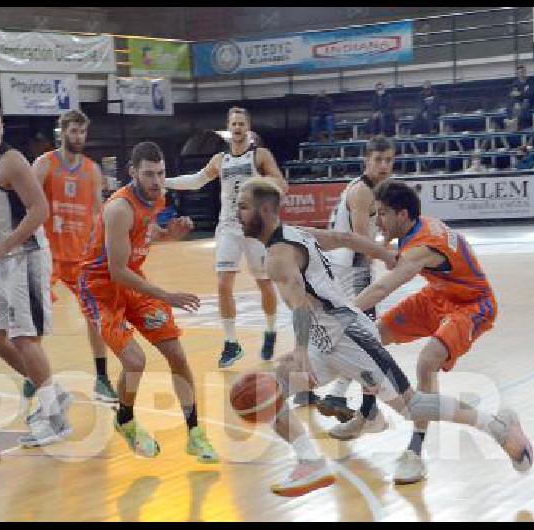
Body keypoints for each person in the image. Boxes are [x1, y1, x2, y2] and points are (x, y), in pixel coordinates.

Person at [235, 176, 533, 496]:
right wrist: (384, 253)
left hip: (349, 337)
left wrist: (302, 350)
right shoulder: (296, 233)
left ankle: (497, 427)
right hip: (330, 340)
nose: (236, 212)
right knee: (272, 386)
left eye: (243, 206)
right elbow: (343, 237)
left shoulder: (278, 256)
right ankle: (312, 461)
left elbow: (300, 305)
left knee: (413, 407)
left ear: (266, 210)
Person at [328, 180, 501, 485]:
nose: (376, 220)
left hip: (472, 304)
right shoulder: (410, 231)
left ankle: (415, 453)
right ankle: (368, 415)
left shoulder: (421, 247)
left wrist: (341, 315)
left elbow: (383, 287)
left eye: (381, 214)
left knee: (426, 361)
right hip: (439, 295)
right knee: (372, 339)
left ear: (403, 214)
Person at [77, 141, 218, 463]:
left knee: (176, 354)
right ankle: (125, 420)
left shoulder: (157, 197)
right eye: (149, 174)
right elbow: (116, 270)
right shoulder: (118, 209)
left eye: (161, 173)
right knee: (136, 361)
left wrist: (170, 234)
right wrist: (167, 295)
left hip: (132, 279)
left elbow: (144, 235)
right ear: (132, 173)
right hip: (101, 287)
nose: (156, 181)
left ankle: (195, 435)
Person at [0, 101, 71, 448]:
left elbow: (40, 210)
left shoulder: (12, 161)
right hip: (2, 259)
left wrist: (3, 244)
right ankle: (53, 391)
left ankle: (55, 419)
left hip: (28, 256)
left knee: (25, 338)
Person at [164, 107, 289, 368]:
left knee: (264, 283)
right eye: (234, 124)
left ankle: (269, 329)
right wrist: (165, 182)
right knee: (223, 283)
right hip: (229, 226)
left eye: (242, 123)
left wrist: (264, 193)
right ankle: (231, 343)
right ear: (228, 128)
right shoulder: (220, 160)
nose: (238, 128)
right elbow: (196, 181)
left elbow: (281, 184)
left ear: (249, 128)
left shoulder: (260, 155)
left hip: (255, 228)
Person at [297, 135, 395, 422]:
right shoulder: (363, 192)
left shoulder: (370, 190)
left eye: (388, 160)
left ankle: (310, 389)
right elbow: (361, 241)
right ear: (366, 160)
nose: (384, 166)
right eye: (378, 160)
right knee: (366, 337)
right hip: (350, 271)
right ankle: (341, 396)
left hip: (341, 269)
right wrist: (392, 254)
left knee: (338, 335)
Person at [32, 110, 118, 404]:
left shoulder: (92, 170)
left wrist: (105, 249)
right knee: (36, 316)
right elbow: (27, 199)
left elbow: (98, 212)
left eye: (82, 132)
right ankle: (35, 375)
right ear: (62, 132)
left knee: (95, 318)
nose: (78, 137)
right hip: (46, 254)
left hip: (80, 256)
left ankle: (102, 379)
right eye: (73, 131)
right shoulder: (45, 164)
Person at [510, 65, 534, 129]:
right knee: (514, 105)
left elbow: (532, 94)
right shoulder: (515, 83)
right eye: (519, 72)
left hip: (530, 103)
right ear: (517, 74)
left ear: (525, 72)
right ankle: (514, 123)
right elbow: (514, 95)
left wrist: (520, 94)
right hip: (519, 104)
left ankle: (519, 123)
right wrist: (517, 101)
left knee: (525, 101)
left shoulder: (530, 82)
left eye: (522, 72)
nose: (521, 74)